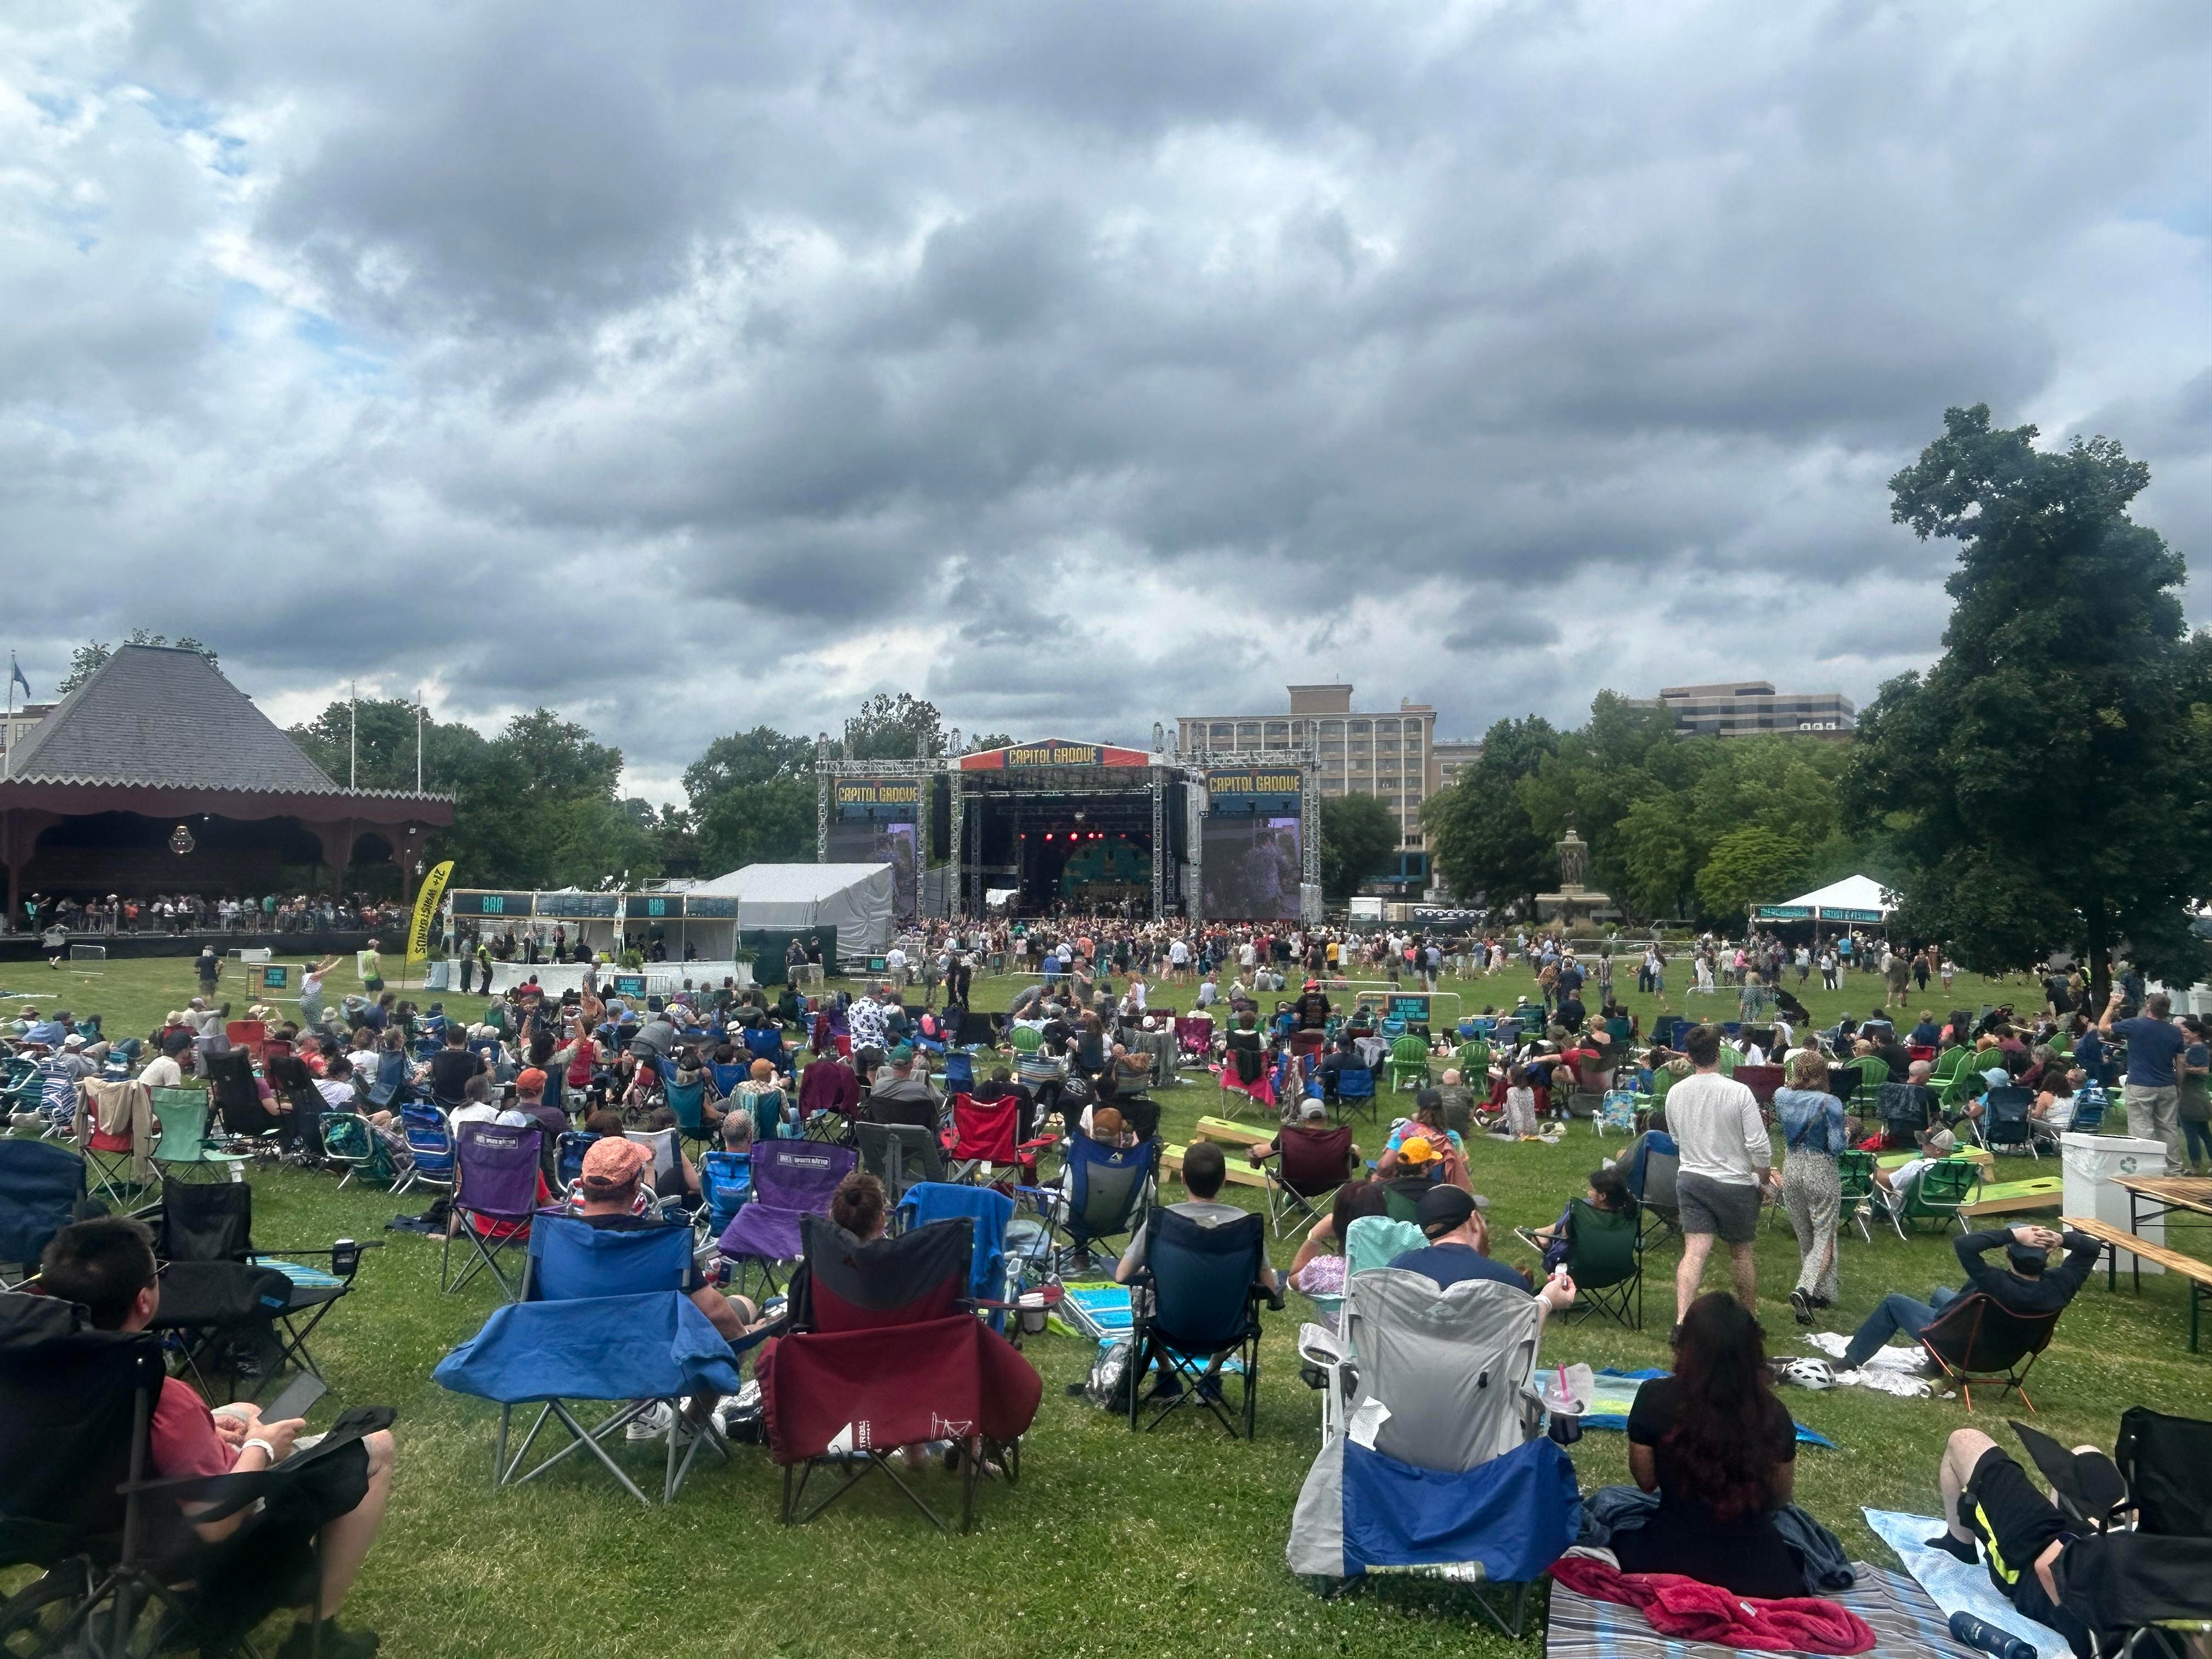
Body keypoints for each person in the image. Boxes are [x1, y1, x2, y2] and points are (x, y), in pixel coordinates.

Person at [37, 1217, 396, 1659]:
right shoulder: (161, 1395)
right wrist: (261, 1447)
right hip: (164, 1533)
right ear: (145, 1300)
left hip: (75, 1513)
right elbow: (216, 1521)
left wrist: (208, 1427)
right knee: (377, 1445)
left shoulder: (35, 1366)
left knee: (245, 1410)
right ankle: (316, 1635)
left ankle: (187, 1596)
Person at [1612, 1292, 1803, 1599]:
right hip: (1760, 1573)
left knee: (1610, 1510)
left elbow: (1646, 1481)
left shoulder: (1654, 1398)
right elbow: (1780, 1497)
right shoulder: (1773, 1413)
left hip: (1670, 1560)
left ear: (1686, 1345)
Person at [1835, 1221, 2104, 1371]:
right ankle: (1934, 1366)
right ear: (2048, 1256)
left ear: (2008, 1255)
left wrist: (2012, 1234)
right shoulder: (2061, 1285)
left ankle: (1849, 1361)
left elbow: (1965, 1244)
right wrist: (2061, 1239)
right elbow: (2091, 1248)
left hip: (1963, 1349)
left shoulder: (1992, 1281)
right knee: (1941, 1294)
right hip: (2006, 1357)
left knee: (1894, 1303)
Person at [1663, 1024, 1774, 1334]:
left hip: (1692, 1178)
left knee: (1694, 1252)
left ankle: (1682, 1322)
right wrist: (1763, 1178)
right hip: (1734, 1182)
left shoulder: (1676, 1092)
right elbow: (1759, 1144)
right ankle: (1750, 1319)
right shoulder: (1738, 1092)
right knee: (1740, 1251)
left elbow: (1675, 1137)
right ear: (1720, 1055)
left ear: (1689, 1056)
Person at [1114, 1141, 1277, 1294]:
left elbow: (1122, 1274)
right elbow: (1270, 1286)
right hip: (1231, 1322)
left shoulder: (1161, 1221)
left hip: (1171, 1321)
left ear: (1183, 1178)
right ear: (1223, 1180)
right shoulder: (1245, 1224)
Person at [1392, 1184, 1577, 1315]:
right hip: (1480, 1371)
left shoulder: (1397, 1270)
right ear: (1474, 1220)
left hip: (1407, 1369)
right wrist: (1547, 1301)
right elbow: (1521, 1348)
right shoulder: (1507, 1282)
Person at [1773, 1048, 1849, 1324]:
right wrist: (1850, 1131)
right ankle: (1805, 1288)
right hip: (1820, 1167)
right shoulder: (1830, 1103)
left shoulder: (1782, 1097)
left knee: (1805, 1234)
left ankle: (1822, 1292)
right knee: (1825, 1235)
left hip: (1791, 1166)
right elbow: (1837, 1146)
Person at [2098, 988, 2188, 1175]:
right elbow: (2181, 1061)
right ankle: (2174, 1169)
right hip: (2167, 1085)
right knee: (2169, 1128)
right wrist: (2179, 1085)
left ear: (2148, 1007)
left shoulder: (2135, 1025)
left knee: (2142, 1129)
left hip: (2141, 1084)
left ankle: (2147, 1170)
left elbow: (2103, 1028)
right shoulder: (2175, 1032)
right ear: (2167, 1010)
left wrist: (2112, 1005)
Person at [1284, 1179, 1390, 1316]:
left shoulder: (1324, 1269)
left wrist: (1315, 1235)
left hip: (1341, 1337)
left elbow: (1293, 1280)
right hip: (1392, 1336)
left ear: (1337, 1224)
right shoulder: (1401, 1264)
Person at [1522, 1165, 1632, 1273]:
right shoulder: (1627, 1215)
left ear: (1603, 1196)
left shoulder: (1585, 1217)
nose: (1590, 1193)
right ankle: (1546, 1232)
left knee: (1575, 1208)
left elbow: (1565, 1236)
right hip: (1616, 1267)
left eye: (1593, 1190)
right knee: (1584, 1204)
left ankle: (1546, 1236)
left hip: (1581, 1267)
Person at [863, 1043, 941, 1133]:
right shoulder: (920, 1090)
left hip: (883, 1137)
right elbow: (934, 1119)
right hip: (915, 1138)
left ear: (891, 1064)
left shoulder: (878, 1086)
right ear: (912, 1064)